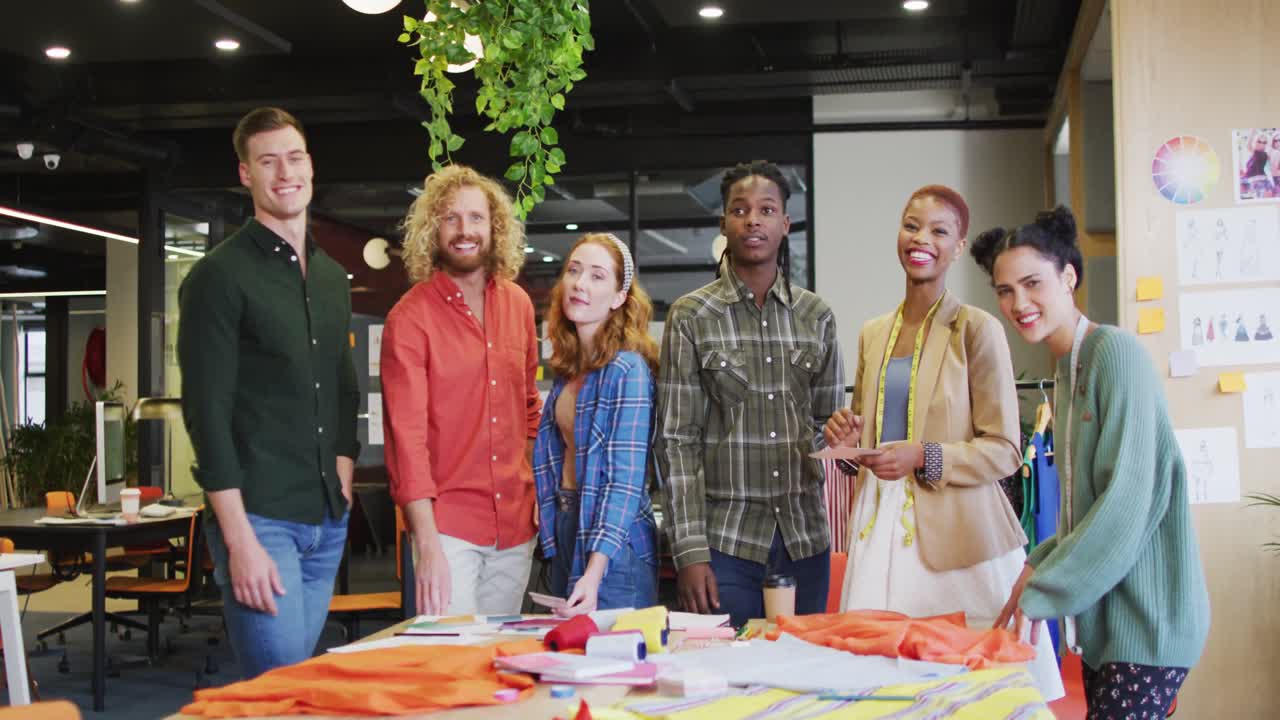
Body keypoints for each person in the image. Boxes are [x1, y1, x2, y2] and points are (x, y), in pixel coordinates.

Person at [823, 185, 1062, 701]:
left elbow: (1005, 449)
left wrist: (924, 455)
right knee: (882, 683)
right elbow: (869, 444)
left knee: (975, 687)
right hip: (876, 526)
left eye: (939, 230)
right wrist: (847, 448)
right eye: (912, 225)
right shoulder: (872, 333)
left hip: (959, 538)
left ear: (958, 246)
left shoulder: (977, 329)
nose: (921, 239)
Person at [974, 206, 1209, 719]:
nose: (1019, 303)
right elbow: (1087, 507)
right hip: (1115, 627)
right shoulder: (1068, 370)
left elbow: (1126, 503)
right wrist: (1038, 561)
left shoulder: (1116, 354)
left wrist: (1045, 592)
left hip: (1148, 625)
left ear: (1069, 276)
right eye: (1005, 290)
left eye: (1033, 283)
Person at [178, 107, 359, 678]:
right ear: (245, 174)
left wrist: (344, 475)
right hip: (260, 520)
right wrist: (238, 541)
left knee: (298, 687)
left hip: (326, 519)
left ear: (311, 166)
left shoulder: (331, 276)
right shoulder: (219, 276)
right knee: (276, 693)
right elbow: (207, 414)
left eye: (295, 157)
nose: (285, 172)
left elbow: (342, 388)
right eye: (268, 160)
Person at [656, 160, 844, 627]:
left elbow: (827, 429)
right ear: (724, 224)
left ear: (785, 223)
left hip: (805, 540)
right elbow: (676, 442)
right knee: (724, 682)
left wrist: (844, 439)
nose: (753, 219)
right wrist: (689, 551)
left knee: (802, 676)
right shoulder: (691, 315)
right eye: (740, 210)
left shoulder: (816, 315)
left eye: (766, 209)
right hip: (726, 544)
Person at [381, 164, 542, 616]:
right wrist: (426, 544)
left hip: (515, 526)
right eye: (451, 218)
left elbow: (528, 407)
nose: (464, 230)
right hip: (448, 529)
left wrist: (524, 476)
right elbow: (406, 441)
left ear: (494, 227)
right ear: (434, 230)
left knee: (498, 666)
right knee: (452, 667)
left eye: (475, 218)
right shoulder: (409, 319)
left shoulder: (519, 305)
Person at [532, 233, 660, 614]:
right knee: (569, 661)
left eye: (597, 276)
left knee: (616, 666)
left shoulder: (628, 370)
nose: (580, 284)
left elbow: (624, 482)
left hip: (615, 547)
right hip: (570, 526)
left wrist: (593, 572)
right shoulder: (568, 371)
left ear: (620, 297)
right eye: (574, 271)